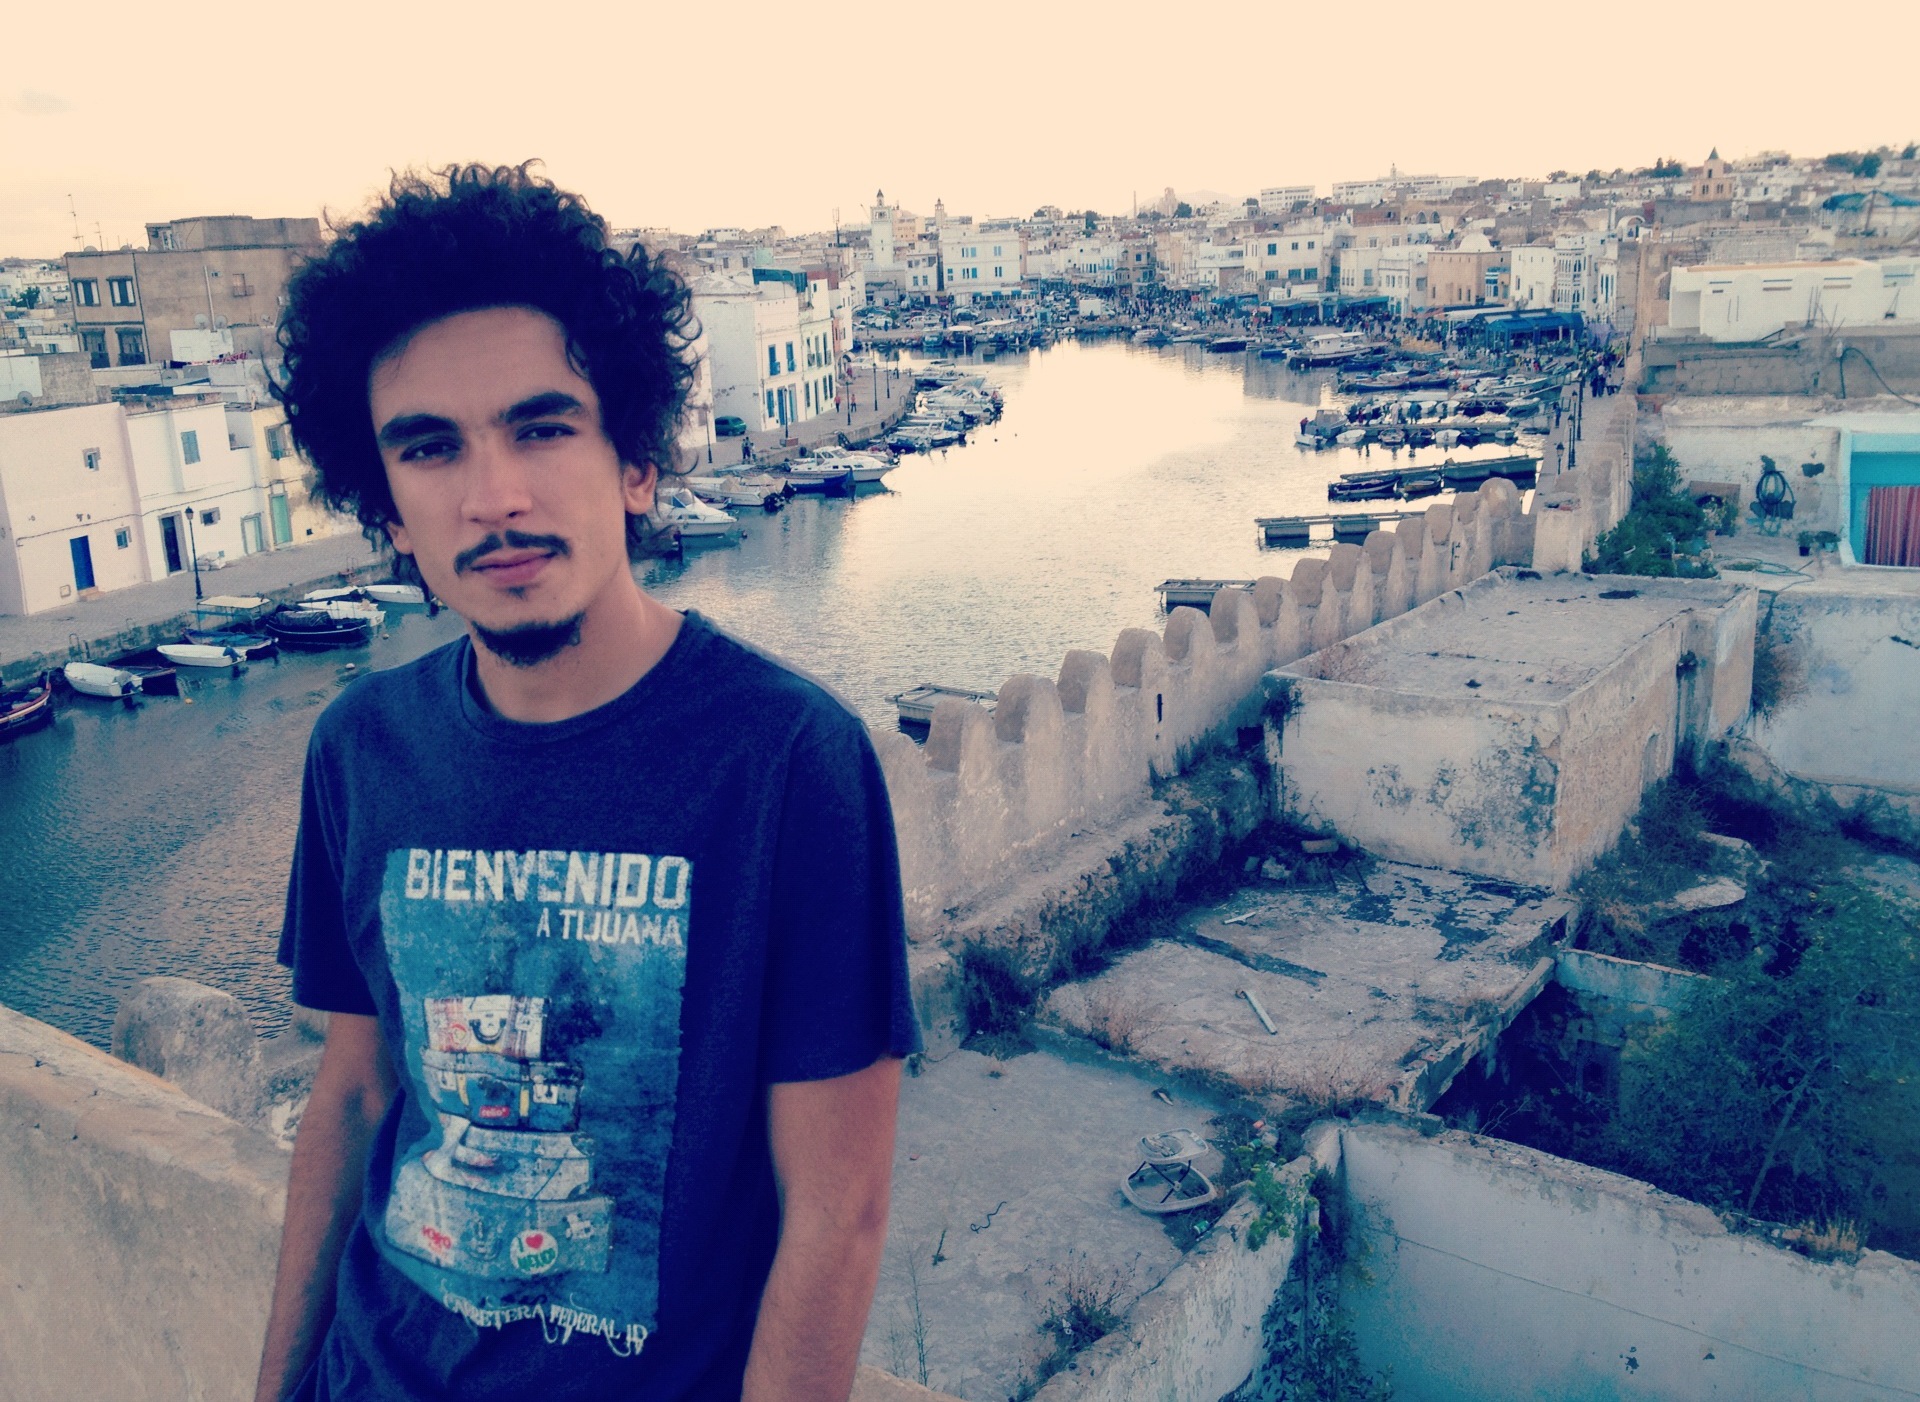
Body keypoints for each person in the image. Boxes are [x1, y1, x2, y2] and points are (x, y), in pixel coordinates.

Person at [256, 164, 919, 1402]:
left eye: (544, 427)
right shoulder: (358, 748)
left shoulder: (788, 763)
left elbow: (838, 1212)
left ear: (637, 462)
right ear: (388, 507)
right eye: (430, 448)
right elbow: (352, 1095)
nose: (495, 497)